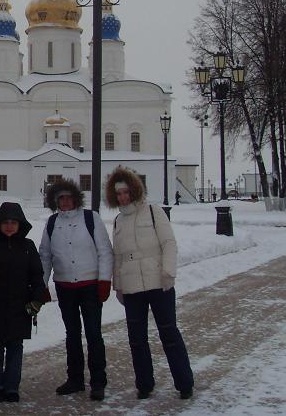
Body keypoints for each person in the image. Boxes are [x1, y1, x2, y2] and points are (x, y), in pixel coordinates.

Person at [105, 166, 194, 401]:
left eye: (126, 192)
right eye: (119, 194)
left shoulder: (153, 212)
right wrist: (119, 285)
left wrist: (168, 272)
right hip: (133, 287)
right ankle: (144, 383)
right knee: (137, 338)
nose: (123, 197)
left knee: (169, 333)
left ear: (134, 191)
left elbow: (169, 243)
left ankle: (184, 382)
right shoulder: (118, 221)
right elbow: (118, 256)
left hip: (158, 284)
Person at [39, 178, 114, 401]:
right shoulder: (52, 223)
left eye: (68, 197)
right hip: (65, 287)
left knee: (93, 334)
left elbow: (104, 251)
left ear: (75, 198)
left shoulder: (91, 219)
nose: (64, 202)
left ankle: (98, 381)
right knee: (72, 335)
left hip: (89, 285)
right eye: (60, 198)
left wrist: (104, 281)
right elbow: (45, 255)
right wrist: (43, 284)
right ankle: (75, 379)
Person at [0, 202, 46, 403]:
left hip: (19, 308)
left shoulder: (27, 247)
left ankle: (12, 385)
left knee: (15, 347)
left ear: (20, 224)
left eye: (14, 222)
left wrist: (37, 300)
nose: (10, 226)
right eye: (6, 222)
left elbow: (37, 276)